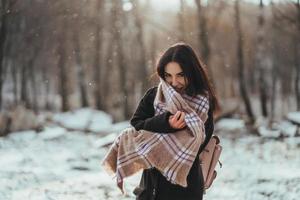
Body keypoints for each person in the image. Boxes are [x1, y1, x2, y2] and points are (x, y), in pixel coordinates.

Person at [130, 43, 219, 200]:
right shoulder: (154, 96)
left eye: (180, 75)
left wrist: (168, 135)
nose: (173, 82)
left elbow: (200, 142)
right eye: (168, 75)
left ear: (191, 73)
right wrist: (165, 124)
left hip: (185, 189)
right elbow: (137, 126)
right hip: (151, 187)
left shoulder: (203, 102)